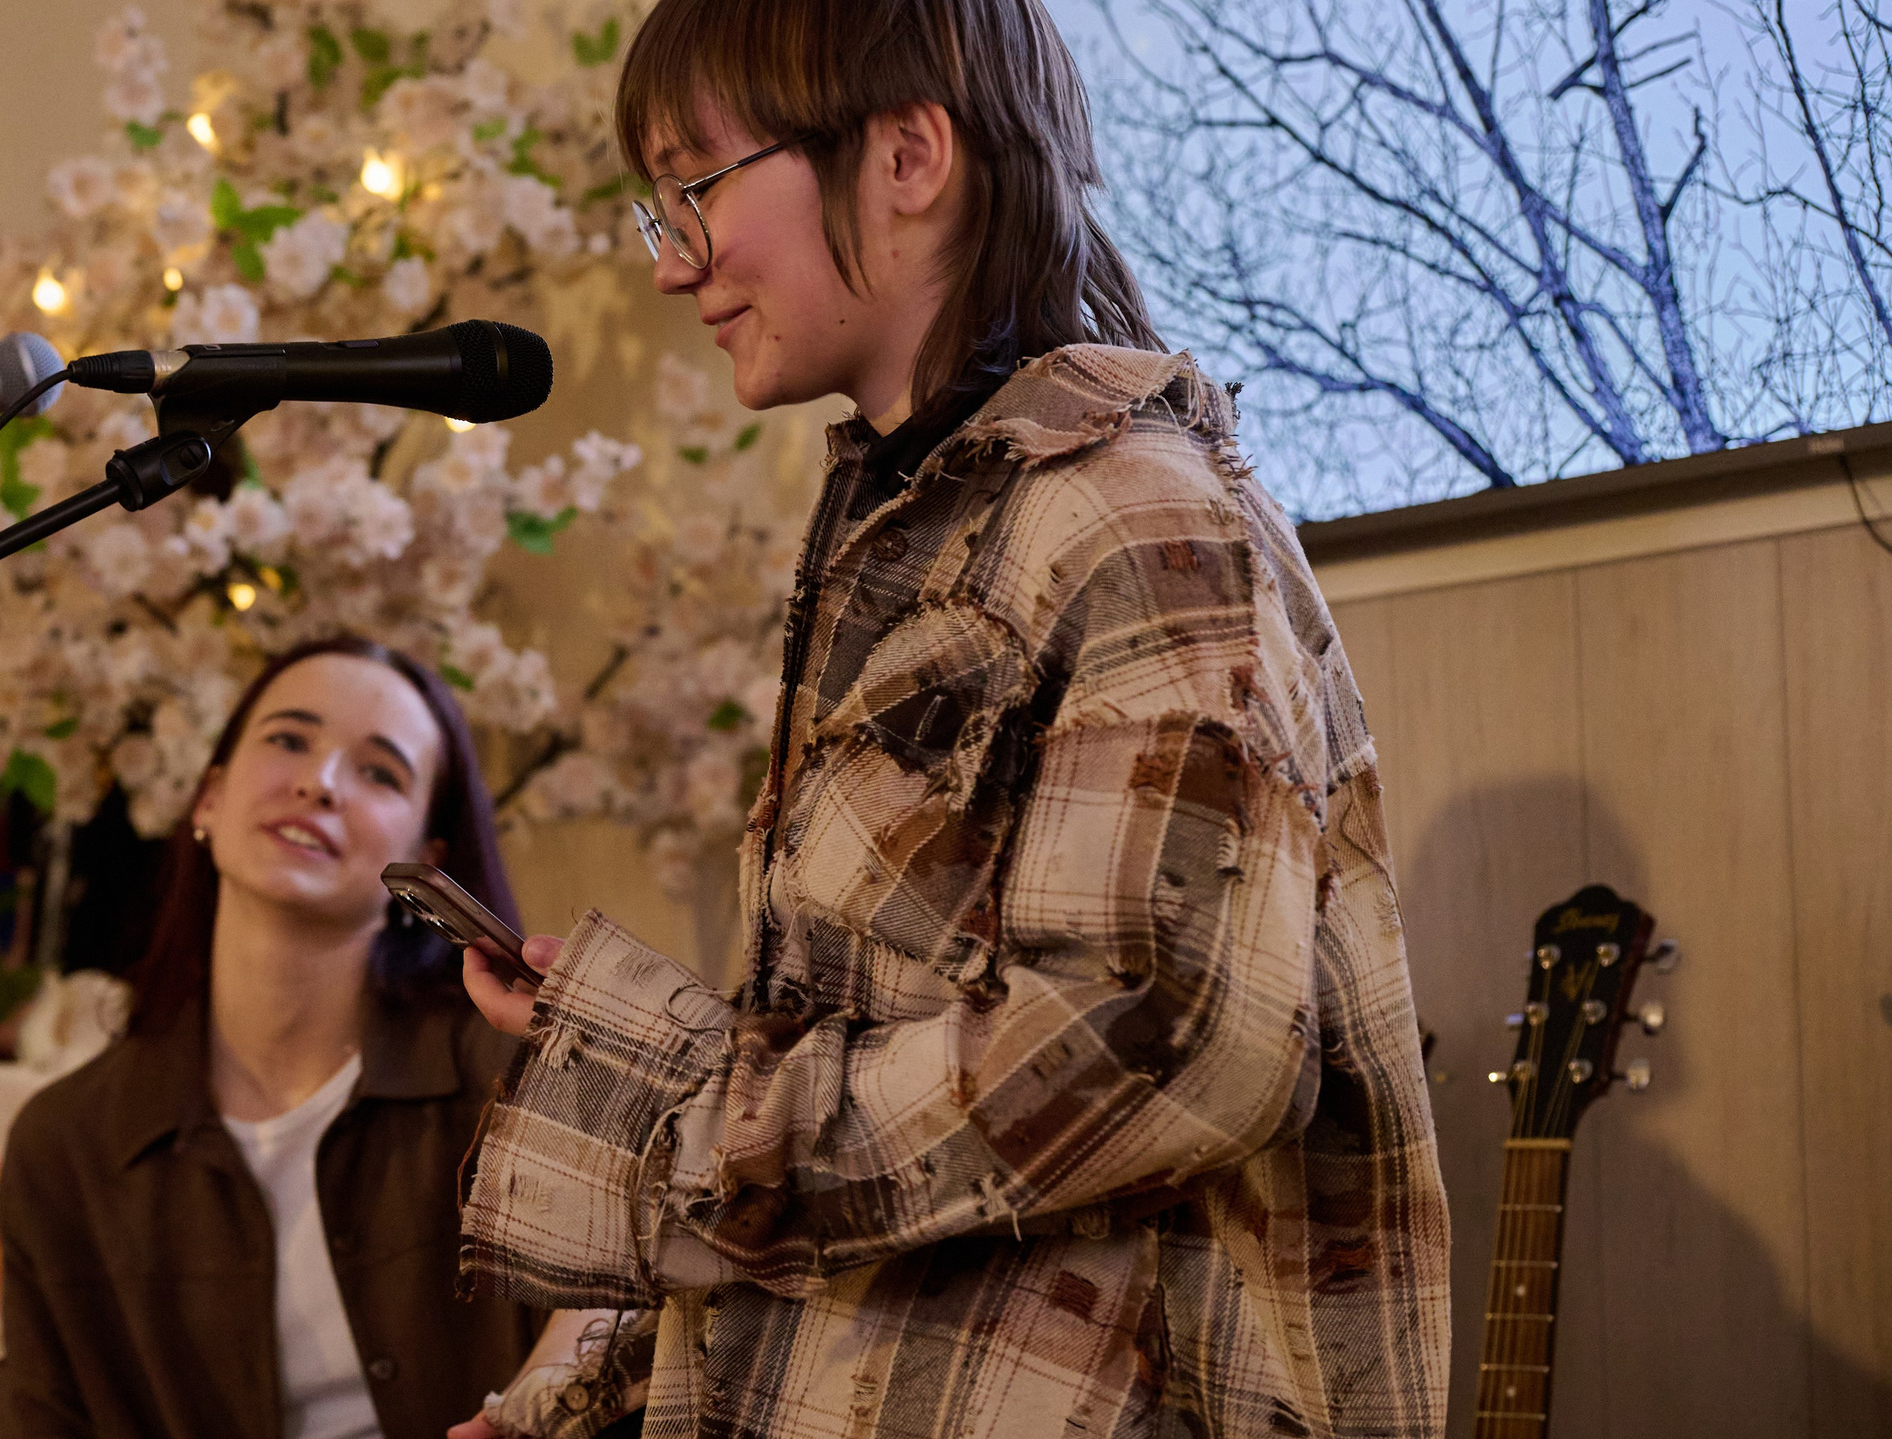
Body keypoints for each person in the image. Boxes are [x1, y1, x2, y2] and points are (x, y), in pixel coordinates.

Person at [452, 3, 1452, 1437]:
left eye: (698, 185)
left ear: (909, 154)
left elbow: (1158, 1036)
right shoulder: (900, 524)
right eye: (654, 205)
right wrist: (568, 1389)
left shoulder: (1130, 513)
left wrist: (688, 1112)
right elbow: (882, 1068)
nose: (673, 262)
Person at [0, 636, 550, 1439]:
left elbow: (627, 1301)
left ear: (427, 862)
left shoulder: (510, 1077)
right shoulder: (66, 1148)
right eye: (289, 738)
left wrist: (539, 1401)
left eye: (379, 772)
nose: (316, 783)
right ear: (209, 799)